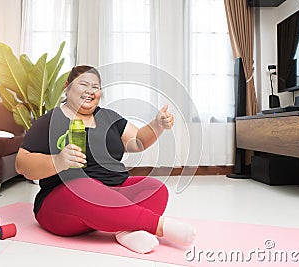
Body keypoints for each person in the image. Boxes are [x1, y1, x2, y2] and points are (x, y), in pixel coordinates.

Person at [15, 65, 196, 254]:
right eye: (83, 84)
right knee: (83, 186)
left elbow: (138, 141)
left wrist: (157, 125)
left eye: (95, 87)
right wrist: (58, 161)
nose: (90, 91)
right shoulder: (51, 120)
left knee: (156, 189)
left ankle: (123, 230)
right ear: (67, 88)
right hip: (63, 203)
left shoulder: (109, 117)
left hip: (112, 195)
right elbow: (21, 163)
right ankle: (159, 226)